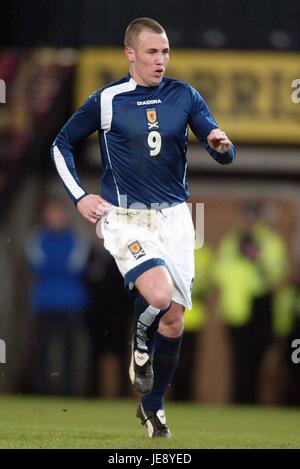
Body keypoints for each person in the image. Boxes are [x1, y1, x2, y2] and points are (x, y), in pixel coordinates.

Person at [51, 17, 235, 437]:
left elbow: (216, 141)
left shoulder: (184, 95)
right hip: (126, 216)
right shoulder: (108, 99)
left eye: (165, 51)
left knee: (173, 321)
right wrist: (80, 196)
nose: (161, 60)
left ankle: (153, 408)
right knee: (158, 293)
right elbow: (60, 143)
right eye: (152, 52)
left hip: (175, 218)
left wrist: (222, 146)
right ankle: (138, 345)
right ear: (130, 54)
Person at [25, 196, 90, 395]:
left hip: (71, 302)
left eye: (58, 212)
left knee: (69, 350)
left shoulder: (76, 238)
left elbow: (76, 266)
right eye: (51, 213)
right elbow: (38, 264)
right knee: (42, 349)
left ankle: (69, 390)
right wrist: (57, 267)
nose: (55, 217)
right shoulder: (36, 238)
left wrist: (54, 267)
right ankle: (42, 389)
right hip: (44, 302)